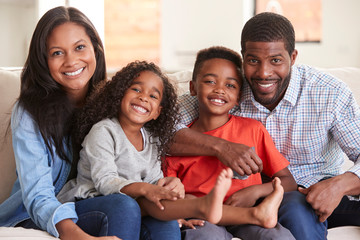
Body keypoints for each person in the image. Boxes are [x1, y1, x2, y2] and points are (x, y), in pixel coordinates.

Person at [171, 12, 360, 240]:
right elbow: (166, 133)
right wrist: (222, 147)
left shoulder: (329, 92)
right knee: (295, 209)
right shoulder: (229, 89)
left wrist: (339, 185)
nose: (263, 73)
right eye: (253, 61)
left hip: (315, 188)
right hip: (256, 194)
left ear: (293, 56)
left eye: (276, 60)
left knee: (297, 207)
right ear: (243, 58)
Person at [57, 60, 287, 240]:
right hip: (89, 203)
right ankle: (201, 207)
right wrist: (150, 190)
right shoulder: (104, 131)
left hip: (133, 202)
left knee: (163, 213)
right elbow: (106, 183)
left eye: (153, 96)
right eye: (136, 89)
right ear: (119, 95)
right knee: (142, 202)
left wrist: (170, 192)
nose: (143, 98)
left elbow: (157, 181)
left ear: (158, 111)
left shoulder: (153, 141)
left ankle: (249, 214)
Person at [0, 6, 142, 240]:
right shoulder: (29, 112)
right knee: (123, 206)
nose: (71, 61)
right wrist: (78, 237)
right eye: (57, 53)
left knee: (162, 221)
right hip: (41, 215)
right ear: (43, 60)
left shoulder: (115, 102)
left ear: (95, 48)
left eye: (79, 47)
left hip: (96, 203)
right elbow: (38, 196)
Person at [165, 46, 296, 240]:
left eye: (230, 85)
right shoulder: (180, 143)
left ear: (238, 97)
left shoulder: (253, 130)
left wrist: (255, 191)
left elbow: (289, 181)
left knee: (279, 237)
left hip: (250, 215)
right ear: (193, 87)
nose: (219, 89)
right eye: (210, 81)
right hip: (203, 219)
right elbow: (171, 194)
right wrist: (180, 216)